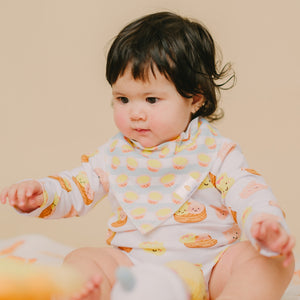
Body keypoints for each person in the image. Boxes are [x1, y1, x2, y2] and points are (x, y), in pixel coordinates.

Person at [0, 11, 295, 300]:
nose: (136, 113)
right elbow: (76, 186)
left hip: (209, 273)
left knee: (271, 260)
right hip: (133, 272)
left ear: (195, 99)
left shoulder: (216, 152)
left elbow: (248, 192)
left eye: (152, 99)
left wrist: (264, 223)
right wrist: (42, 193)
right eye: (123, 99)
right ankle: (94, 294)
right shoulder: (114, 155)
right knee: (82, 259)